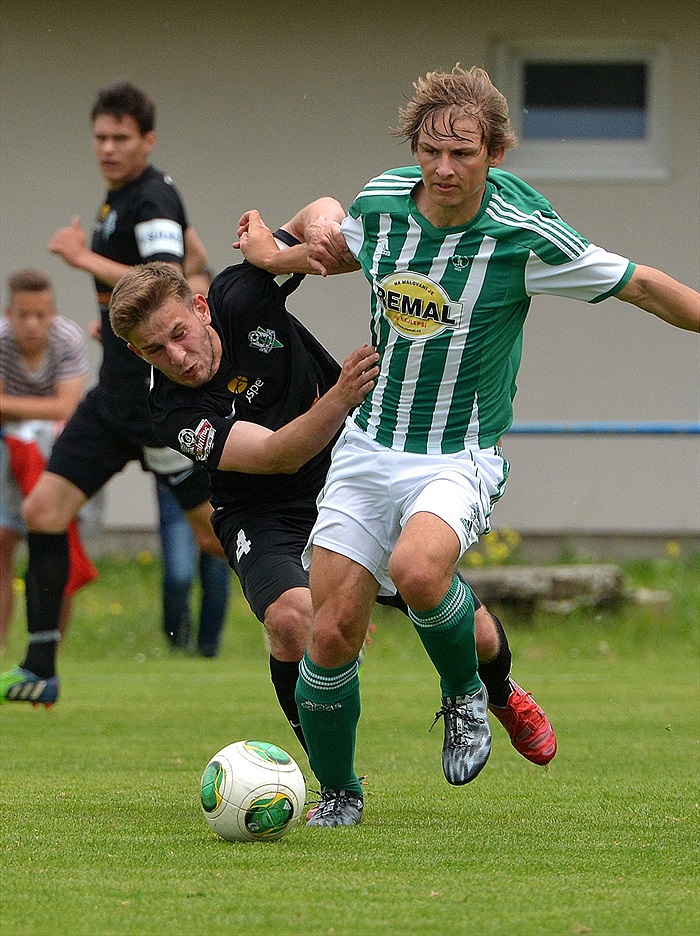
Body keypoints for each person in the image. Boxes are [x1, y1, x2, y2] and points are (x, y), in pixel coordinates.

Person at [249, 64, 699, 827]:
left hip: (458, 452)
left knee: (418, 570)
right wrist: (273, 255)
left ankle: (466, 694)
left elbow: (643, 285)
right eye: (430, 151)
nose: (444, 168)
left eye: (462, 153)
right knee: (330, 630)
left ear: (494, 152)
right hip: (368, 448)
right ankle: (339, 795)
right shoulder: (383, 203)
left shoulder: (523, 232)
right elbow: (344, 251)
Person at [107, 198, 557, 776]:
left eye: (179, 334)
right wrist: (342, 395)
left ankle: (501, 692)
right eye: (154, 351)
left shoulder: (239, 294)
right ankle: (332, 779)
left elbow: (321, 209)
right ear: (135, 352)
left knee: (461, 621)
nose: (178, 356)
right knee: (292, 619)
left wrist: (306, 240)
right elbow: (274, 455)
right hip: (261, 511)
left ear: (200, 308)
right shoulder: (169, 409)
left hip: (347, 477)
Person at [0, 79, 219, 706]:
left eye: (121, 137)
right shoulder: (122, 200)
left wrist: (80, 257)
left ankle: (320, 598)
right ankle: (40, 668)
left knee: (213, 535)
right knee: (43, 510)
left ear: (147, 140)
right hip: (114, 398)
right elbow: (196, 262)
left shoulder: (151, 197)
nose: (107, 148)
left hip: (157, 404)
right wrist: (117, 323)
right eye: (100, 137)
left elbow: (168, 277)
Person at [0, 269, 93, 649]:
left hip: (58, 453)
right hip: (8, 452)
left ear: (53, 313)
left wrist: (11, 407)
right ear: (9, 314)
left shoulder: (67, 339)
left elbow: (67, 407)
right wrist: (45, 408)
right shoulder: (1, 342)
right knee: (3, 541)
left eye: (40, 315)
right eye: (23, 315)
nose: (32, 324)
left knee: (59, 543)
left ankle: (49, 649)